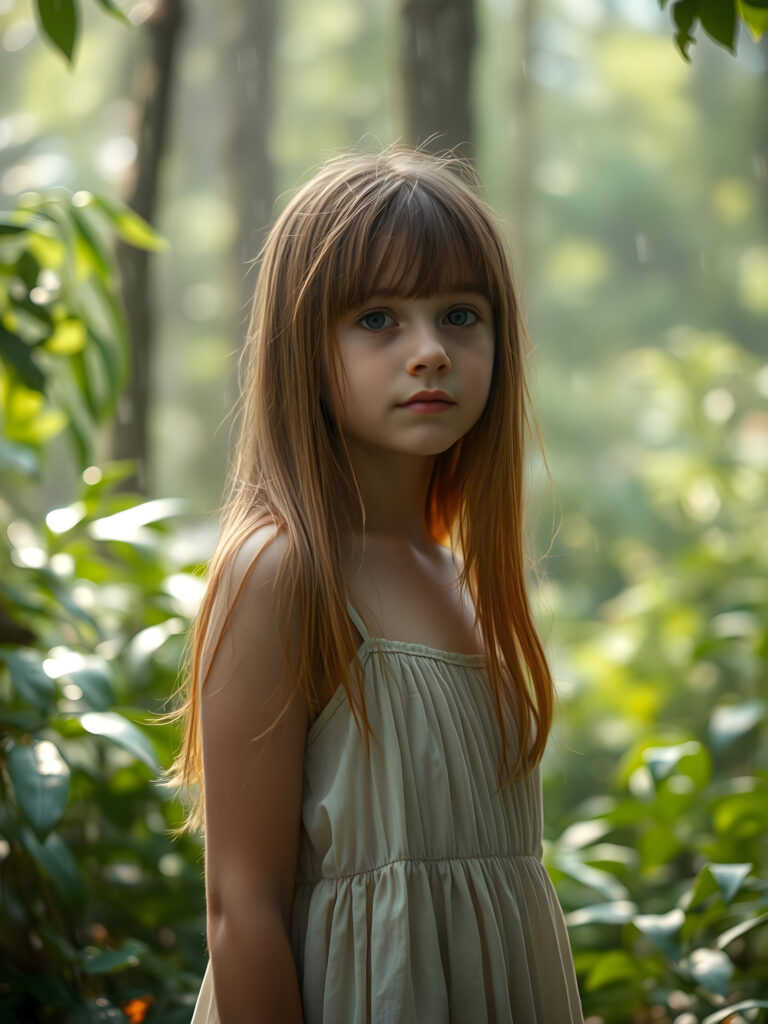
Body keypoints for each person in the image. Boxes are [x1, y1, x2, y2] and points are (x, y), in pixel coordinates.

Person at [167, 145, 584, 1023]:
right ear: (301, 345)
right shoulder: (282, 572)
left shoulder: (467, 578)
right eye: (378, 319)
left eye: (460, 314)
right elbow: (240, 912)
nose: (429, 351)